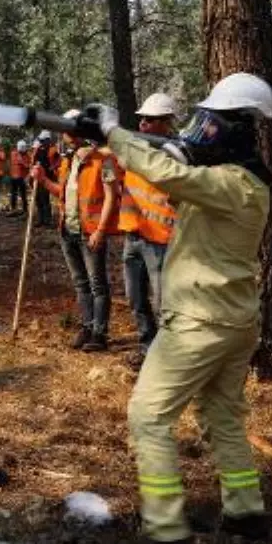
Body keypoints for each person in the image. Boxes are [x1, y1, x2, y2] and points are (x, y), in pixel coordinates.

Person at [75, 73, 272, 544]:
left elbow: (169, 176)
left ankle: (166, 535)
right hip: (234, 322)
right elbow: (178, 167)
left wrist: (113, 133)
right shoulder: (247, 185)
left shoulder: (230, 184)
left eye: (211, 122)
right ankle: (246, 511)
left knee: (148, 416)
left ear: (234, 130)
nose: (200, 130)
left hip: (200, 323)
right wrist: (137, 143)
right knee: (223, 414)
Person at [31, 110, 120, 352]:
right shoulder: (67, 161)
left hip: (90, 232)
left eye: (69, 129)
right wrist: (41, 180)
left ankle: (99, 333)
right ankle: (87, 325)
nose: (65, 134)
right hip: (68, 230)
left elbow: (111, 197)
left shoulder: (104, 159)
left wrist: (101, 230)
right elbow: (62, 192)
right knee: (80, 283)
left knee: (97, 284)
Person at [119, 93, 178, 363]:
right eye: (142, 119)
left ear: (166, 123)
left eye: (150, 120)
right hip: (133, 235)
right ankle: (147, 347)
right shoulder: (134, 150)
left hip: (161, 240)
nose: (143, 124)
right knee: (136, 298)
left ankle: (167, 356)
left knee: (162, 303)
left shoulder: (174, 155)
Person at [32, 130, 56, 226]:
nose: (42, 142)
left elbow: (57, 163)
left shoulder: (52, 150)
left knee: (45, 199)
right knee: (38, 199)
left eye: (43, 141)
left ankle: (48, 220)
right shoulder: (38, 149)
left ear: (48, 140)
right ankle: (41, 219)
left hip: (46, 178)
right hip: (37, 178)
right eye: (41, 141)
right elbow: (33, 162)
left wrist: (51, 168)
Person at [8, 140, 31, 215]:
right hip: (14, 177)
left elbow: (28, 166)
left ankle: (24, 209)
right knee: (14, 194)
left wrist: (24, 164)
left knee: (23, 194)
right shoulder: (14, 154)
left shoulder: (26, 155)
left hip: (21, 177)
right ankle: (13, 209)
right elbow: (25, 165)